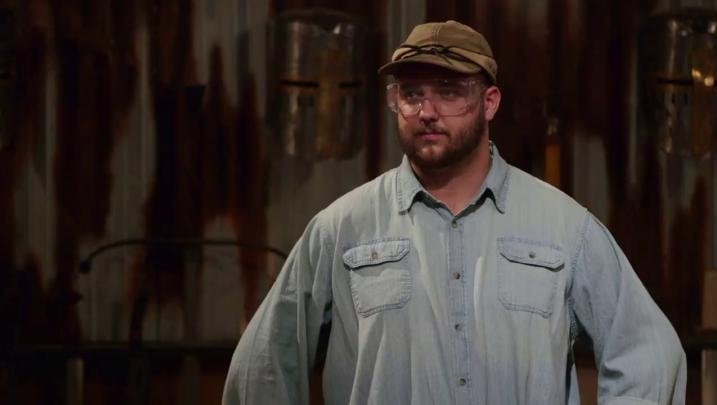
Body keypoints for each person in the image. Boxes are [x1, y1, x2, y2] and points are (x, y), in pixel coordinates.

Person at [222, 20, 686, 405]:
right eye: (411, 93)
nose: (427, 110)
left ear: (489, 103)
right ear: (394, 103)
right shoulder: (342, 229)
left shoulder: (563, 226)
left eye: (449, 92)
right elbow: (263, 364)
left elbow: (648, 352)